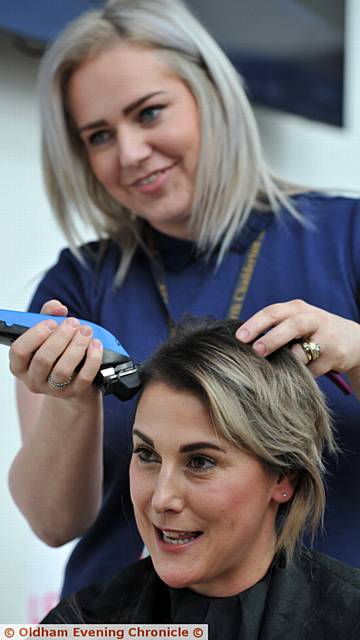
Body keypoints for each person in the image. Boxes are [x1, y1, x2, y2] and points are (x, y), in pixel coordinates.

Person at [7, 0, 360, 599]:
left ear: (212, 97)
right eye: (98, 136)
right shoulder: (77, 288)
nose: (130, 153)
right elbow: (52, 521)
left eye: (149, 113)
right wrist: (69, 404)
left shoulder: (347, 240)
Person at [42, 319, 360, 636]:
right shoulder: (79, 626)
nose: (162, 498)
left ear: (283, 477)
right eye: (147, 455)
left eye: (200, 462)